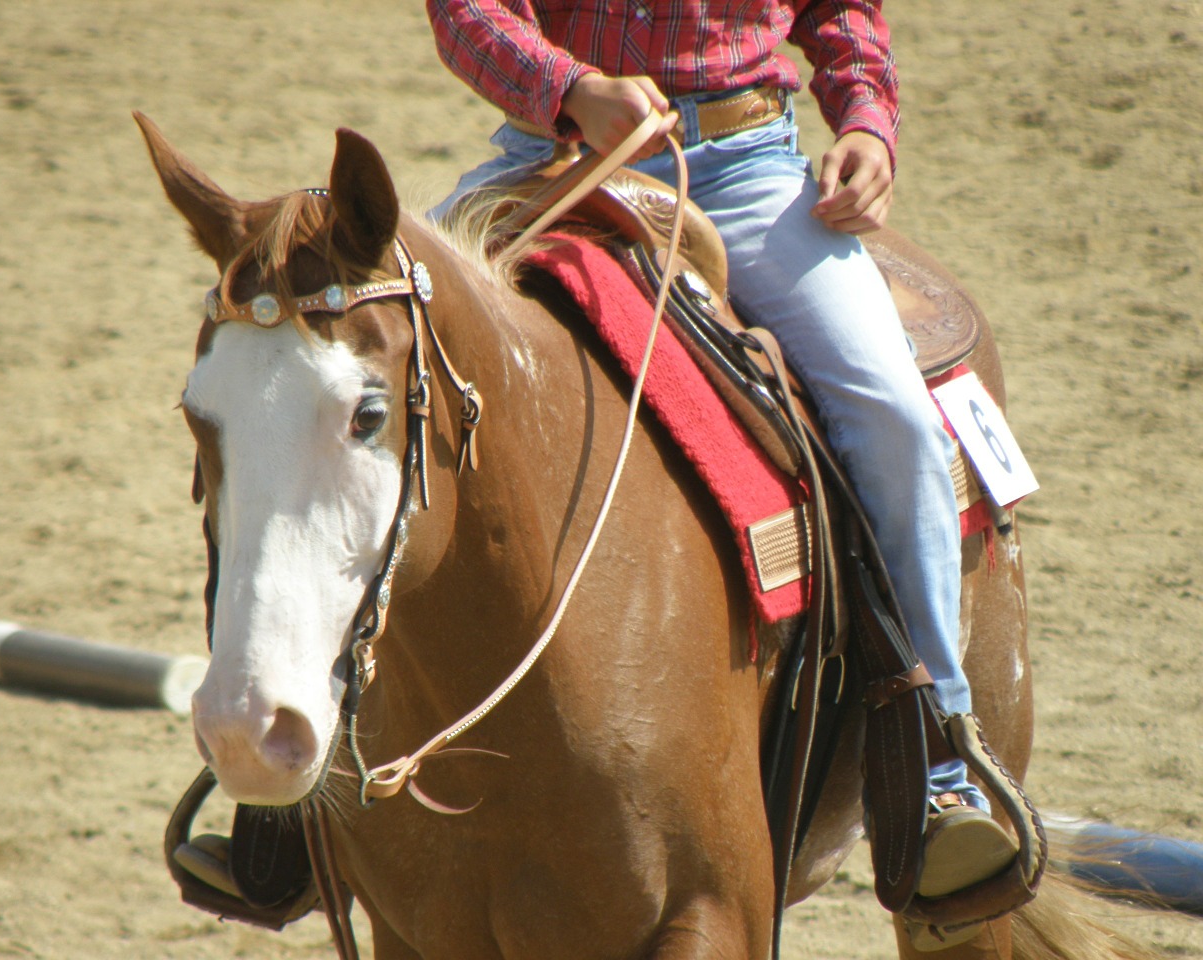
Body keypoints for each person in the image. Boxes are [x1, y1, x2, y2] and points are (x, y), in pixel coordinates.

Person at [425, 0, 1017, 946]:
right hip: (553, 167)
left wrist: (867, 122)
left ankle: (939, 758)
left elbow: (841, 12)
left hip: (748, 171)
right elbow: (467, 12)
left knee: (895, 417)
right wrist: (569, 87)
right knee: (353, 362)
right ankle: (294, 783)